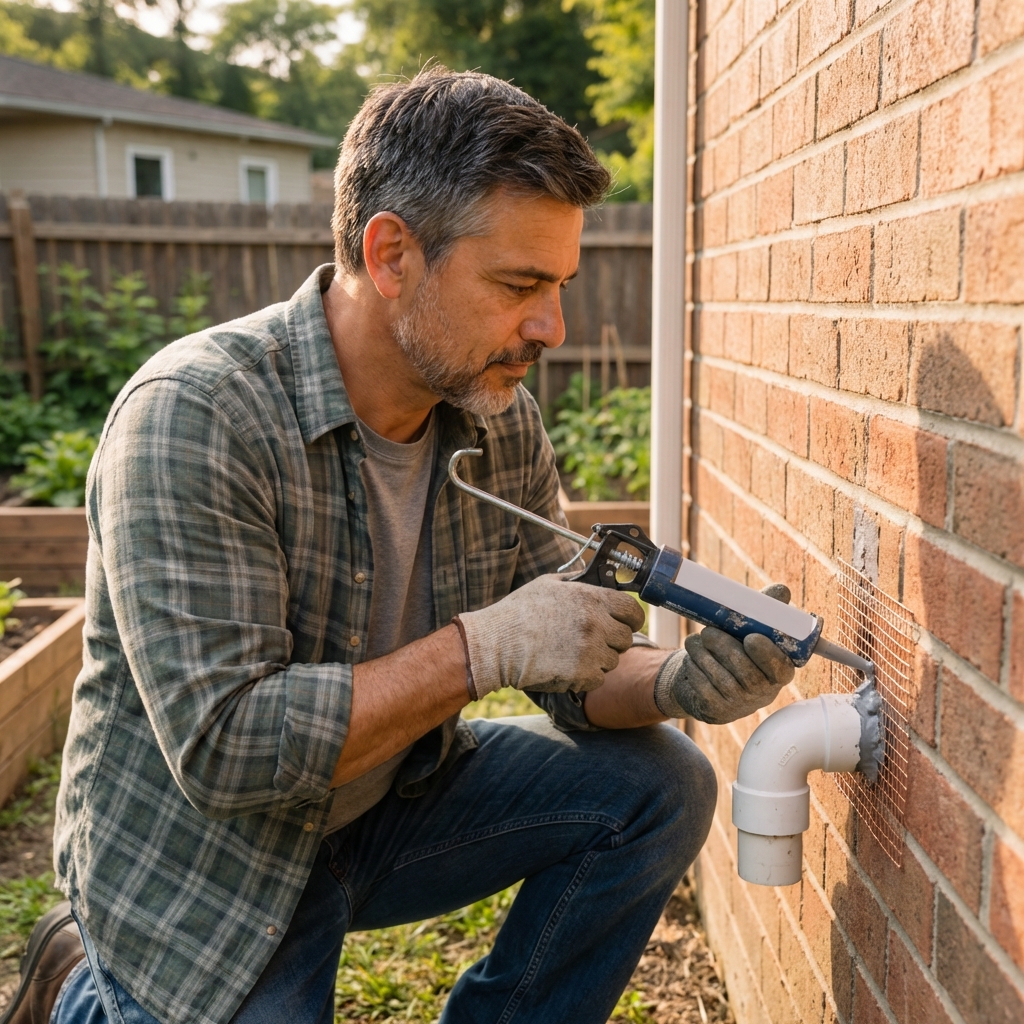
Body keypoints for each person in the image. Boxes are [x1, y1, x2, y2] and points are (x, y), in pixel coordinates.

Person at [8, 66, 796, 1024]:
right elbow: (224, 751)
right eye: (519, 284)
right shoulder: (196, 416)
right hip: (207, 863)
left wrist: (669, 687)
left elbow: (570, 657)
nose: (551, 326)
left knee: (661, 783)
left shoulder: (496, 420)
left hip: (385, 809)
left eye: (559, 286)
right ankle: (80, 988)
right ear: (391, 255)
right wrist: (482, 648)